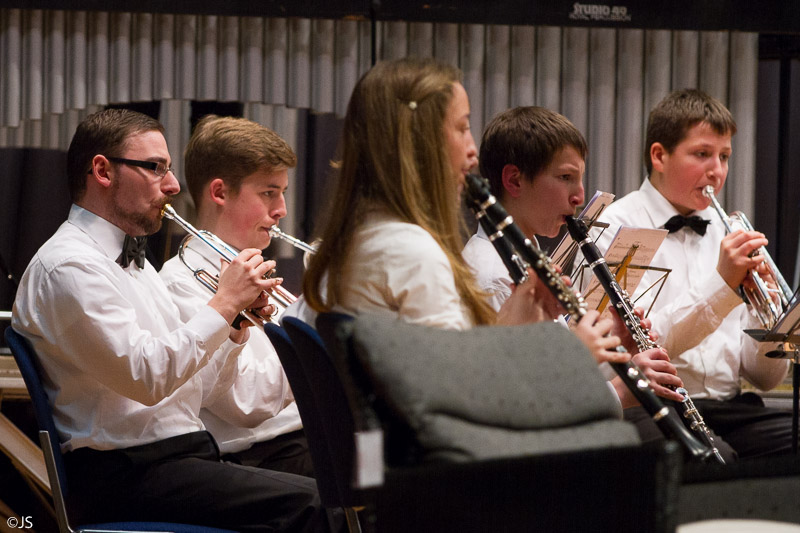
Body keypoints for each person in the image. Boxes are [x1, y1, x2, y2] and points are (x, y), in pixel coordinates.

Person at [11, 108, 339, 531]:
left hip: (177, 458)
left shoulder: (137, 265)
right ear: (103, 171)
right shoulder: (68, 266)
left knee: (339, 494)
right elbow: (147, 379)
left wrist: (236, 326)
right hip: (122, 473)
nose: (173, 185)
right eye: (155, 168)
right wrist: (222, 304)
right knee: (319, 506)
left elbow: (196, 389)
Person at [300, 56, 631, 381]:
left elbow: (453, 374)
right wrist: (574, 360)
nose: (473, 150)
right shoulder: (410, 254)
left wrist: (514, 321)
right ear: (418, 142)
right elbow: (468, 402)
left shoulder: (365, 239)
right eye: (461, 128)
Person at [591, 88, 792, 459]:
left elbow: (762, 377)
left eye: (725, 156)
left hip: (730, 407)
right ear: (659, 155)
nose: (717, 170)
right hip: (652, 405)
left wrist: (768, 316)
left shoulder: (724, 227)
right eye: (702, 154)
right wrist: (722, 283)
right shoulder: (615, 227)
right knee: (717, 460)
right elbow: (642, 343)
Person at [462, 105, 684, 409]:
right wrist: (622, 390)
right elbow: (525, 402)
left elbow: (560, 379)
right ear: (514, 180)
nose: (579, 196)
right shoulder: (495, 277)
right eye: (565, 177)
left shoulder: (525, 263)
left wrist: (616, 349)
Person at [159, 115, 312, 476]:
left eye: (283, 193)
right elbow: (247, 403)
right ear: (220, 193)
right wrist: (319, 317)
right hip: (264, 457)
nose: (282, 211)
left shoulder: (260, 273)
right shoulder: (179, 284)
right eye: (268, 193)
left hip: (307, 441)